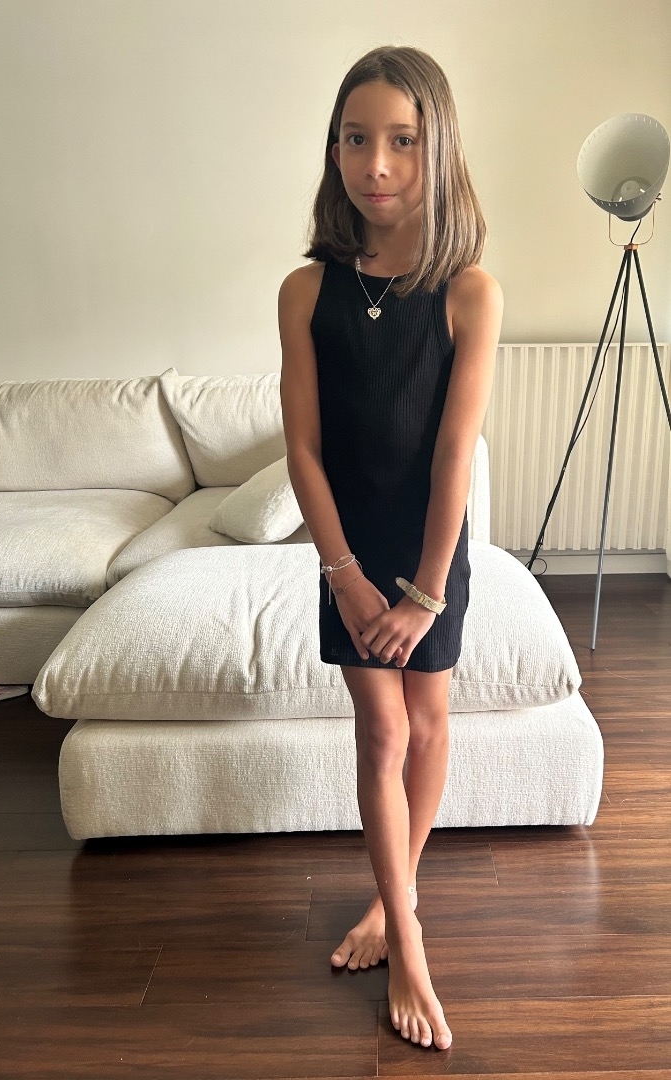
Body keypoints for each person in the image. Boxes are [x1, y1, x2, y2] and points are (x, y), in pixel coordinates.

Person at [278, 45, 503, 1052]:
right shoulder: (304, 292)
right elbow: (304, 450)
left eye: (403, 141)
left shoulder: (470, 292)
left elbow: (455, 454)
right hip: (349, 551)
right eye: (356, 139)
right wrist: (345, 577)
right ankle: (408, 941)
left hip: (429, 548)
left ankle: (390, 897)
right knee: (382, 731)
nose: (376, 163)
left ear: (436, 148)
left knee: (430, 720)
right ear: (334, 150)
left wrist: (423, 591)